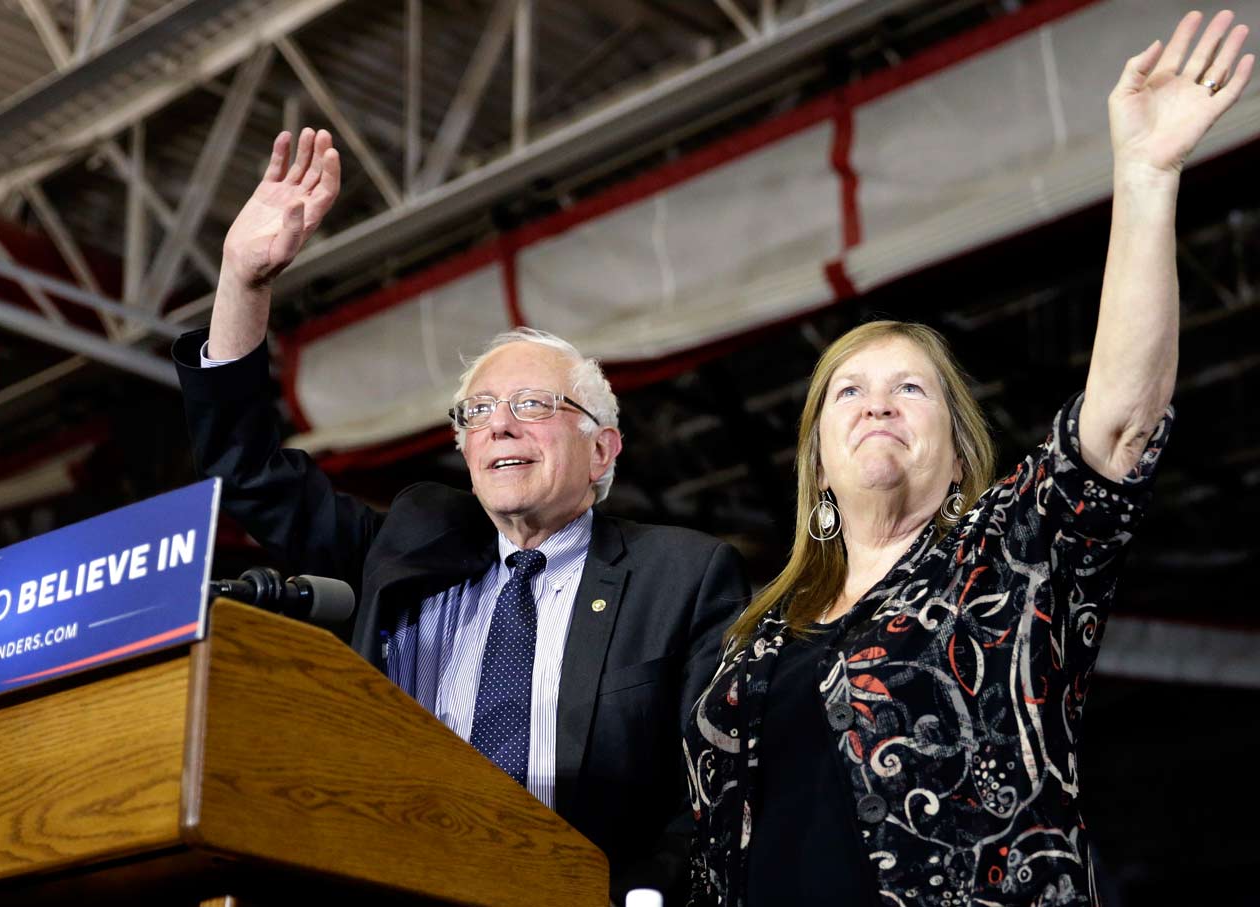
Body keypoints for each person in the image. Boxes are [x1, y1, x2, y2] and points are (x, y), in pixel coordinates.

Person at [684, 10, 1251, 906]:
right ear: (818, 468)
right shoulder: (748, 639)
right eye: (849, 390)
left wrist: (1145, 176)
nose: (877, 400)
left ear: (957, 457)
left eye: (911, 389)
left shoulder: (1012, 559)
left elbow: (1120, 424)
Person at [173, 127, 750, 903]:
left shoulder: (681, 575)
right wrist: (241, 282)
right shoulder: (409, 544)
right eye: (478, 411)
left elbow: (719, 781)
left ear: (603, 449)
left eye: (532, 405)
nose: (500, 425)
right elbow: (248, 473)